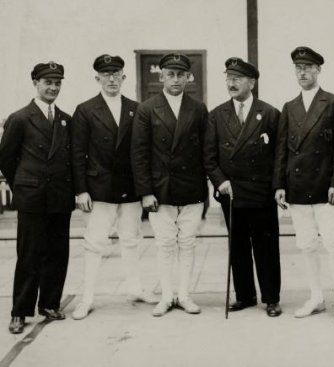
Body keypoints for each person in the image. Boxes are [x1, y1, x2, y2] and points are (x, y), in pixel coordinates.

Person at [71, 54, 154, 320]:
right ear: (97, 78)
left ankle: (135, 289)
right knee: (95, 244)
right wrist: (81, 189)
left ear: (124, 77)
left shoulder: (136, 108)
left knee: (131, 240)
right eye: (106, 74)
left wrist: (143, 189)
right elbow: (77, 153)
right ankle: (87, 298)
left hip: (129, 187)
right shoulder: (85, 110)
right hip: (99, 189)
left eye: (116, 73)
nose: (111, 79)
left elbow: (143, 151)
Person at [273, 46, 334, 324]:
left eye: (308, 68)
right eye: (298, 68)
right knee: (306, 245)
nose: (303, 72)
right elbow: (282, 149)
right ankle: (316, 297)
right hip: (297, 189)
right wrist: (279, 184)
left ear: (319, 70)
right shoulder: (289, 107)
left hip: (326, 190)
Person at [131, 53, 208, 316]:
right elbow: (139, 154)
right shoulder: (147, 108)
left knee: (188, 242)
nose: (175, 79)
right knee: (165, 243)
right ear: (161, 76)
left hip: (191, 188)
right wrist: (145, 192)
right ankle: (166, 295)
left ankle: (184, 295)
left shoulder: (198, 108)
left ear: (188, 77)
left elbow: (205, 152)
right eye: (170, 74)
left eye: (181, 74)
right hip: (160, 190)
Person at [204, 57, 282, 317]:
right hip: (231, 192)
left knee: (266, 248)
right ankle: (245, 295)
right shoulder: (216, 115)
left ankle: (271, 298)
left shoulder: (270, 113)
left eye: (237, 78)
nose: (231, 83)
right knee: (237, 247)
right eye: (228, 78)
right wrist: (220, 181)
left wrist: (276, 187)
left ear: (252, 82)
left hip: (261, 194)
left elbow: (279, 156)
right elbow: (209, 157)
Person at [0, 62, 74, 334]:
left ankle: (50, 304)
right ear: (35, 83)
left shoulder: (66, 118)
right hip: (32, 197)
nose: (53, 87)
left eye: (57, 83)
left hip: (59, 197)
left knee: (57, 254)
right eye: (47, 82)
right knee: (29, 255)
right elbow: (6, 159)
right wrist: (23, 184)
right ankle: (20, 311)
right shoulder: (19, 118)